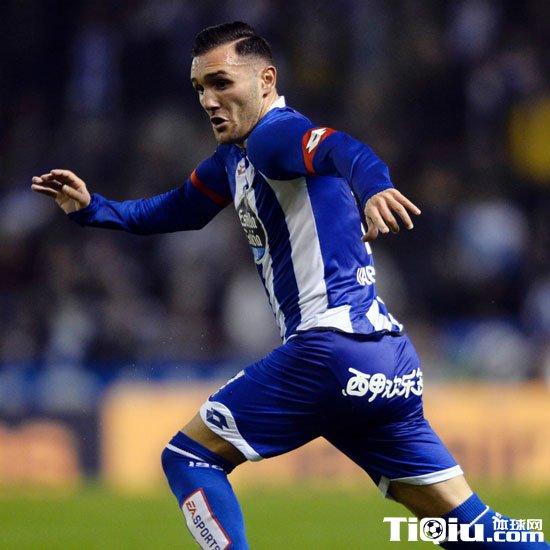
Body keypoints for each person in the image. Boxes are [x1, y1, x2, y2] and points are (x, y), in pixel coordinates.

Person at [32, 21, 547, 550]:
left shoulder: (273, 136)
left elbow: (341, 147)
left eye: (221, 83)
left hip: (328, 350)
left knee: (189, 456)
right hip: (385, 359)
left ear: (266, 81)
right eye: (200, 88)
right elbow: (177, 210)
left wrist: (375, 188)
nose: (208, 100)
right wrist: (94, 209)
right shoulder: (233, 159)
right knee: (468, 527)